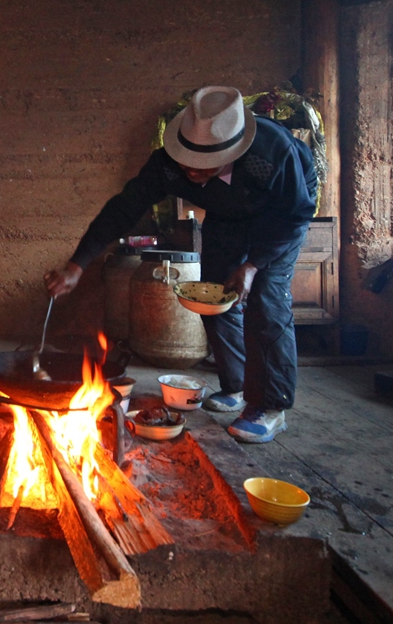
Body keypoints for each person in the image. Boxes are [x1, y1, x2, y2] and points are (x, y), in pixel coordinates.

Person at [45, 86, 317, 443]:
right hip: (226, 213)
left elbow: (296, 214)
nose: (192, 170)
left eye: (205, 164)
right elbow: (122, 209)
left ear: (233, 151)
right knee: (213, 296)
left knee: (266, 299)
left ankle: (269, 406)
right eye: (188, 159)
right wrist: (77, 264)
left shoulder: (272, 152)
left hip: (281, 216)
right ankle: (235, 385)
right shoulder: (167, 164)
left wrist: (253, 265)